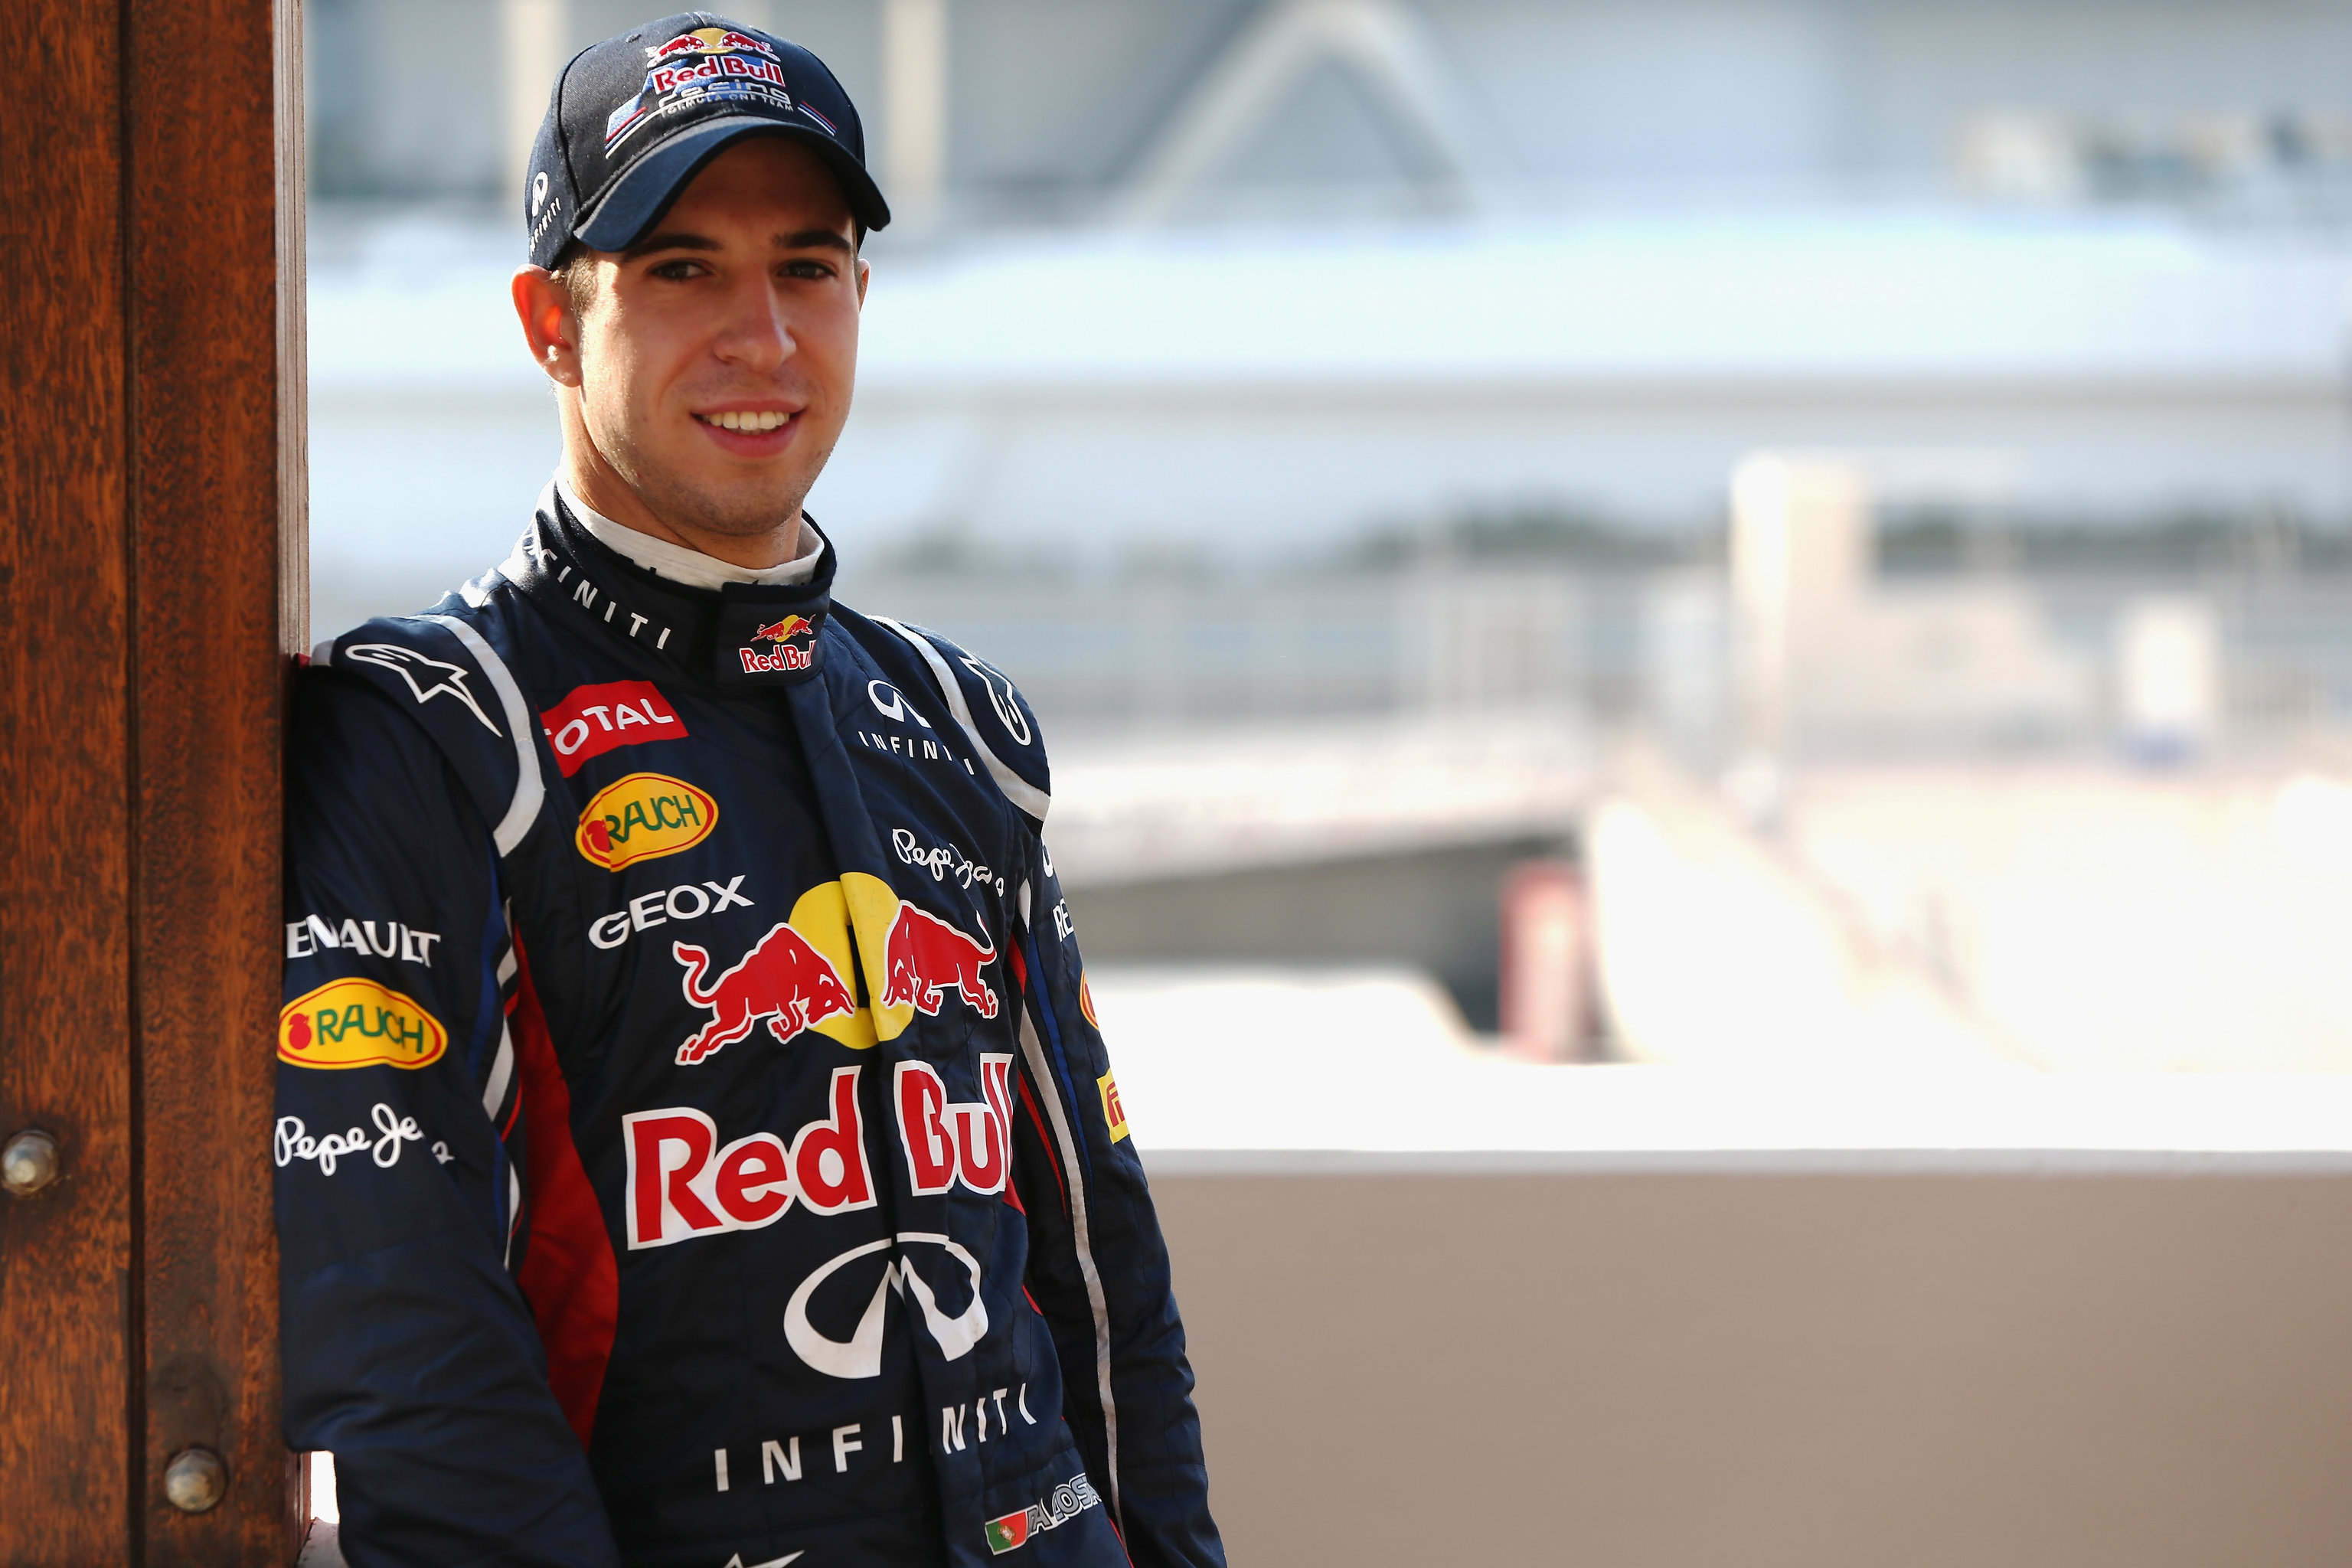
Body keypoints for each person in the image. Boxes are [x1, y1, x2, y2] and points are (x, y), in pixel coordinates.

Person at [273, 15, 1224, 1566]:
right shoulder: (435, 734)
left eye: (807, 266)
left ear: (861, 299)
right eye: (682, 269)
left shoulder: (961, 720)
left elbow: (1105, 1267)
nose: (763, 338)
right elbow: (399, 1326)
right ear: (549, 320)